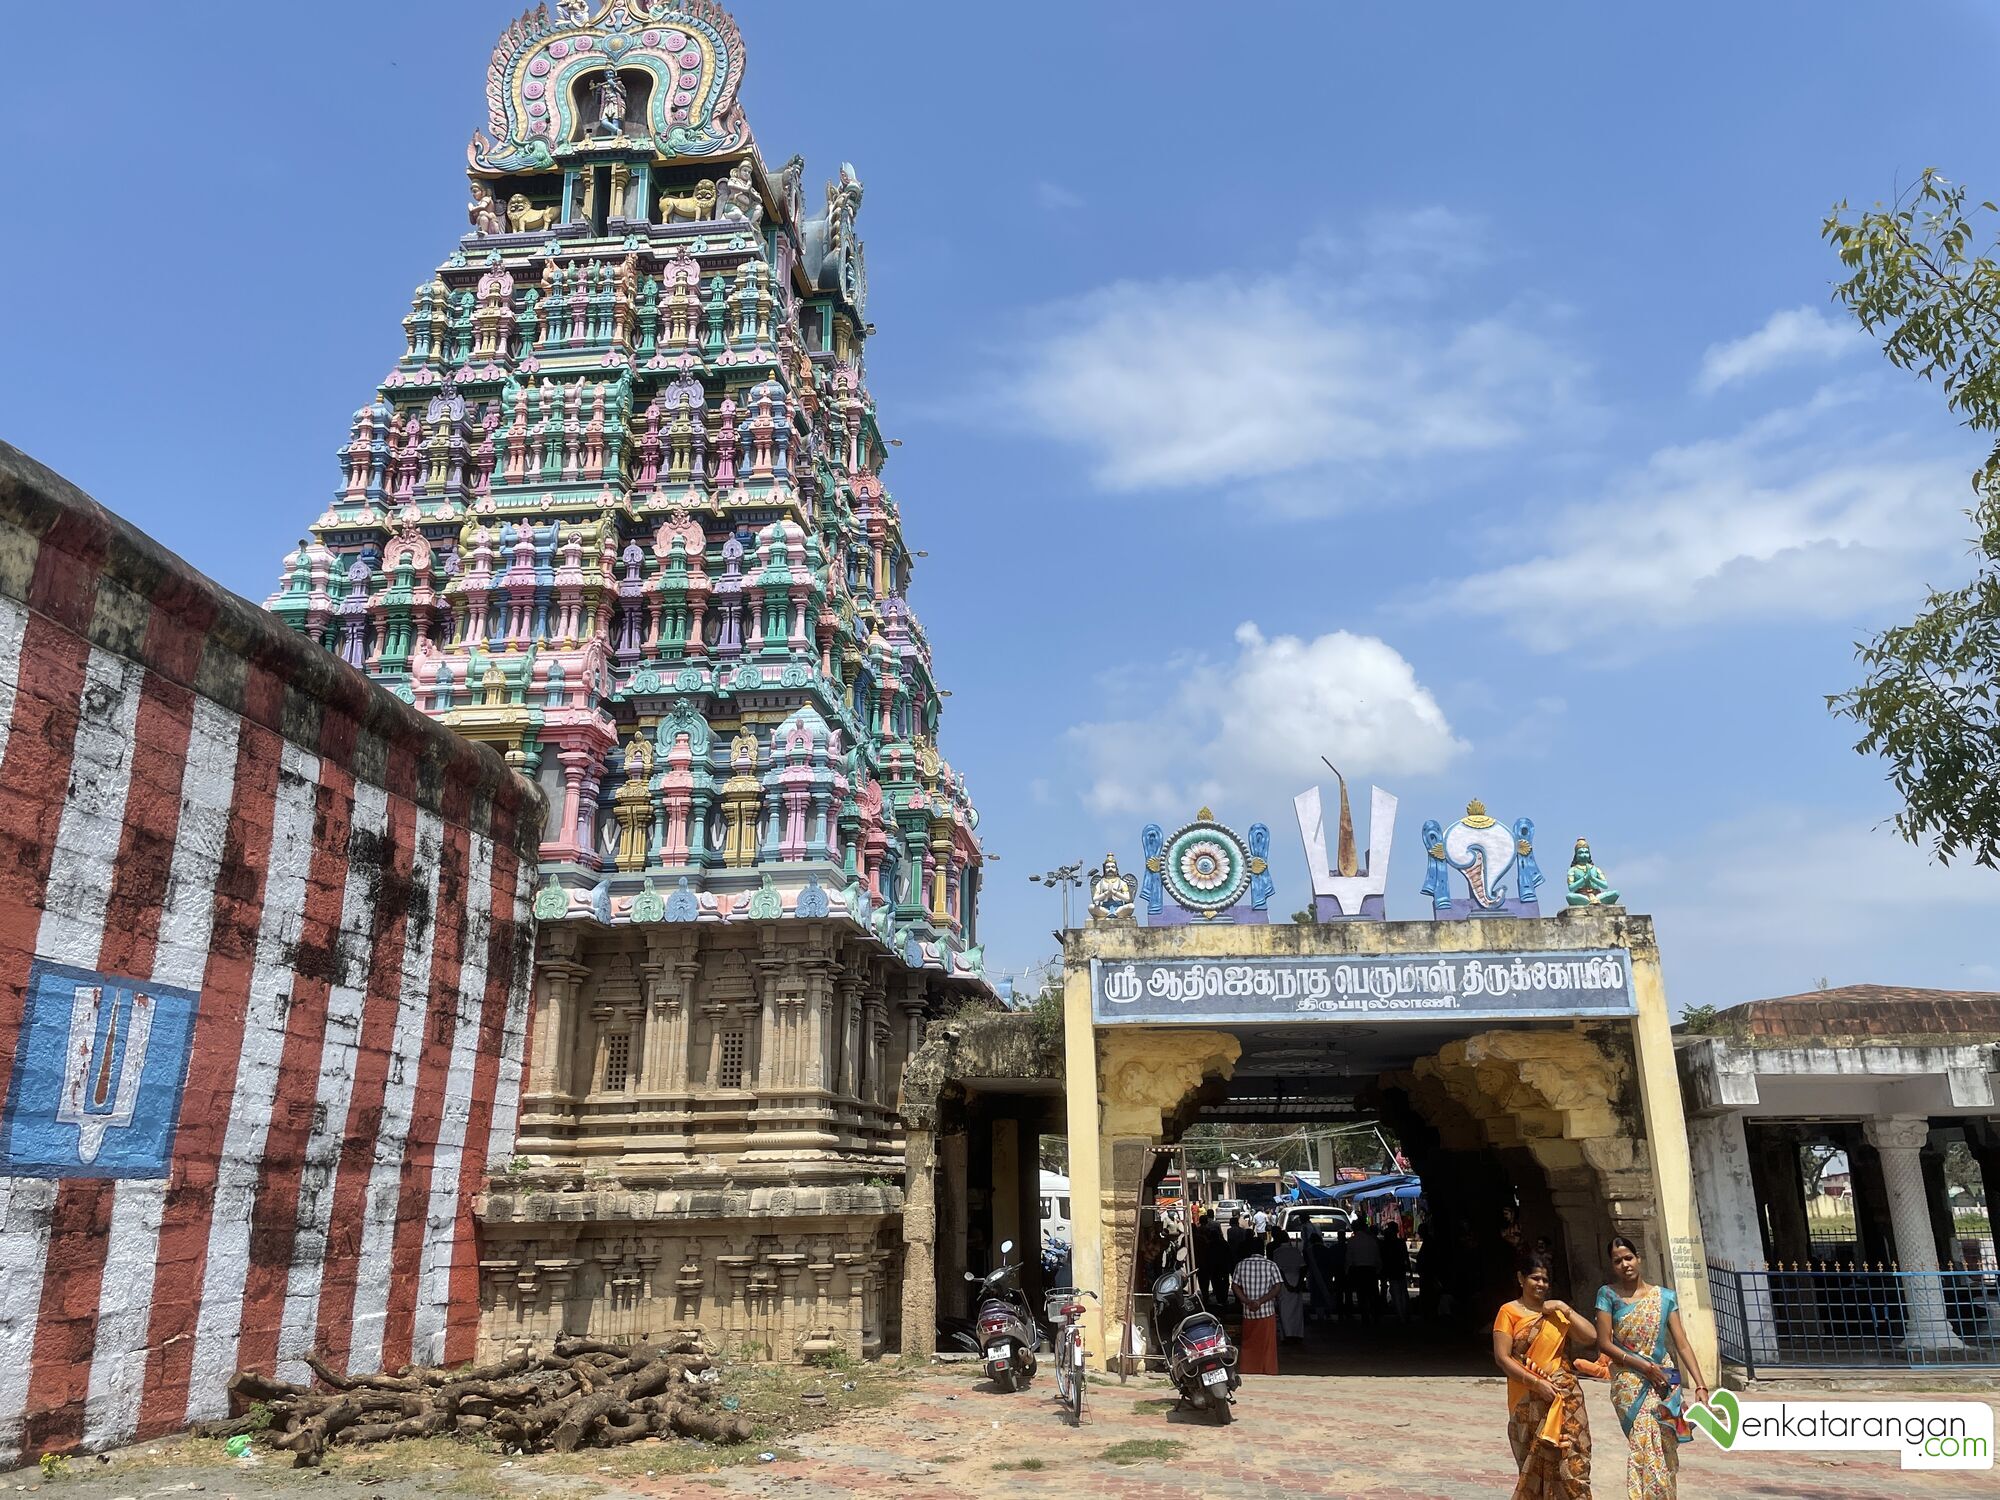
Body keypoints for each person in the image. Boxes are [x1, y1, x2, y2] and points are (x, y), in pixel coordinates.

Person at [1594, 1236, 1708, 1499]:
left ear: (1639, 1259)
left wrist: (1700, 1385)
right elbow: (1604, 1343)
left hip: (1664, 1380)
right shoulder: (1607, 1295)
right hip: (1630, 1382)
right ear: (1612, 1266)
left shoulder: (1664, 1297)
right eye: (1618, 1261)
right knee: (1644, 1441)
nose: (1625, 1264)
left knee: (1664, 1446)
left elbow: (1682, 1344)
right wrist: (1645, 1367)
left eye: (1628, 1258)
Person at [1492, 1249, 1597, 1499]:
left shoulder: (1555, 1313)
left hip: (1565, 1399)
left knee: (1572, 1465)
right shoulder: (1509, 1312)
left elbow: (1590, 1337)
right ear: (1521, 1278)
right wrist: (1537, 1384)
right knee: (1534, 1469)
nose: (1541, 1284)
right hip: (1527, 1401)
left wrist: (1563, 1308)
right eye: (1535, 1278)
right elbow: (1503, 1358)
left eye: (1545, 1280)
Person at [1230, 1242, 1281, 1374]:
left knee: (1249, 1343)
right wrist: (1260, 1301)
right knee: (1267, 1345)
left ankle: (1249, 1369)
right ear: (1263, 1250)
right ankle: (1268, 1370)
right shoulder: (1271, 1265)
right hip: (1266, 1311)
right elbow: (1277, 1287)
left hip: (1248, 1312)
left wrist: (1246, 1301)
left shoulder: (1241, 1265)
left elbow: (1235, 1286)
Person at [1271, 1231, 1308, 1343]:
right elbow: (1303, 1267)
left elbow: (1279, 1270)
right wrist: (1299, 1283)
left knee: (1284, 1310)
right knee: (1297, 1310)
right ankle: (1297, 1334)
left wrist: (1286, 1284)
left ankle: (1287, 1334)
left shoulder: (1277, 1252)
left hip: (1284, 1282)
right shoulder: (1295, 1251)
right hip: (1296, 1278)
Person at [1346, 1218, 1382, 1319]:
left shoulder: (1352, 1241)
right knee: (1372, 1295)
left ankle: (1365, 1317)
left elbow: (1349, 1258)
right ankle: (1375, 1316)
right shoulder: (1371, 1240)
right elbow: (1377, 1257)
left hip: (1358, 1270)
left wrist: (1347, 1270)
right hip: (1371, 1270)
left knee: (1361, 1295)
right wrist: (1378, 1269)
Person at [1381, 1222, 1411, 1321]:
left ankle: (1401, 1315)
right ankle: (1404, 1314)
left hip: (1392, 1270)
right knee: (1402, 1292)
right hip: (1400, 1269)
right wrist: (1409, 1269)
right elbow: (1406, 1256)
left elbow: (1384, 1258)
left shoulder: (1387, 1244)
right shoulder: (1400, 1243)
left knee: (1397, 1293)